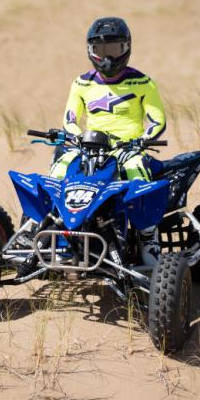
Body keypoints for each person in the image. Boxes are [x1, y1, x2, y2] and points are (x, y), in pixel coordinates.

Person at [49, 16, 166, 263]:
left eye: (113, 49)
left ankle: (148, 236)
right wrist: (77, 137)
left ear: (126, 48)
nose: (107, 57)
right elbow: (70, 119)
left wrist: (141, 141)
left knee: (136, 170)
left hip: (129, 150)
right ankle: (50, 227)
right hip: (89, 147)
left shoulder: (143, 83)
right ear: (90, 51)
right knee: (60, 165)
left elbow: (157, 121)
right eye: (100, 50)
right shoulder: (81, 83)